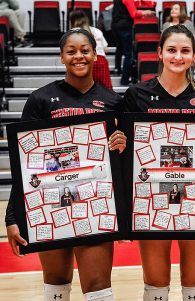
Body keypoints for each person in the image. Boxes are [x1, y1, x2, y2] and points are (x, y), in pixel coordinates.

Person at [5, 28, 126, 301]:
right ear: (61, 57)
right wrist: (12, 217)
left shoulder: (113, 102)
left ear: (95, 55)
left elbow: (123, 162)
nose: (78, 56)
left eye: (85, 50)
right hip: (50, 202)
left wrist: (122, 144)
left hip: (96, 206)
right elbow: (23, 164)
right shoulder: (40, 100)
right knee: (56, 282)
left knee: (97, 285)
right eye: (71, 51)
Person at [121, 25, 195, 301]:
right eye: (171, 50)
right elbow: (125, 156)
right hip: (150, 199)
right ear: (159, 53)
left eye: (185, 51)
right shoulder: (136, 94)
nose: (177, 56)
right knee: (155, 282)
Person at [112, 0, 155, 85]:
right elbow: (134, 13)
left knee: (119, 48)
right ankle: (124, 80)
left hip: (115, 26)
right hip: (125, 26)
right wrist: (146, 12)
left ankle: (118, 69)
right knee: (129, 55)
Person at [70, 9, 113, 89]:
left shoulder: (72, 33)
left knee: (84, 90)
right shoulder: (97, 31)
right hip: (100, 60)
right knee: (105, 90)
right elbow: (105, 49)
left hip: (83, 61)